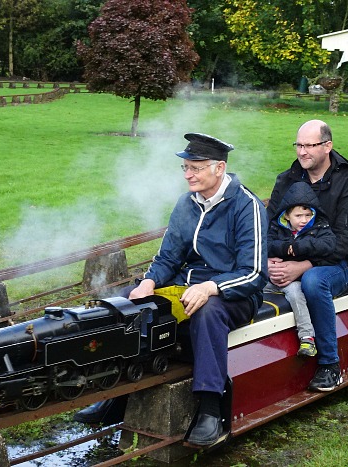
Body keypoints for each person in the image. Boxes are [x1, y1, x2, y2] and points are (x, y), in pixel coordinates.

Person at [74, 133, 268, 446]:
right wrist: (149, 281)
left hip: (233, 294)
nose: (188, 174)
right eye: (185, 168)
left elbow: (255, 273)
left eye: (195, 168)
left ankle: (209, 407)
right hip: (183, 286)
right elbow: (168, 256)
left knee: (207, 313)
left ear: (219, 168)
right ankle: (119, 394)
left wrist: (210, 287)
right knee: (124, 303)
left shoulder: (248, 207)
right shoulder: (185, 203)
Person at [267, 120, 348, 392]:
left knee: (313, 281)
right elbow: (266, 225)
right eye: (298, 145)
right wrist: (267, 259)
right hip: (286, 256)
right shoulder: (286, 180)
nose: (302, 151)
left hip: (337, 262)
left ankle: (330, 364)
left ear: (327, 146)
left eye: (309, 145)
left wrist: (303, 265)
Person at [264, 182, 337, 357]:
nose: (304, 220)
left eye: (308, 214)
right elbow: (264, 244)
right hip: (271, 278)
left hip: (293, 281)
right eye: (298, 215)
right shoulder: (276, 228)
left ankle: (307, 337)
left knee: (297, 293)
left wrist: (297, 247)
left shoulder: (319, 228)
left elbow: (328, 245)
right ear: (287, 215)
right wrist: (284, 249)